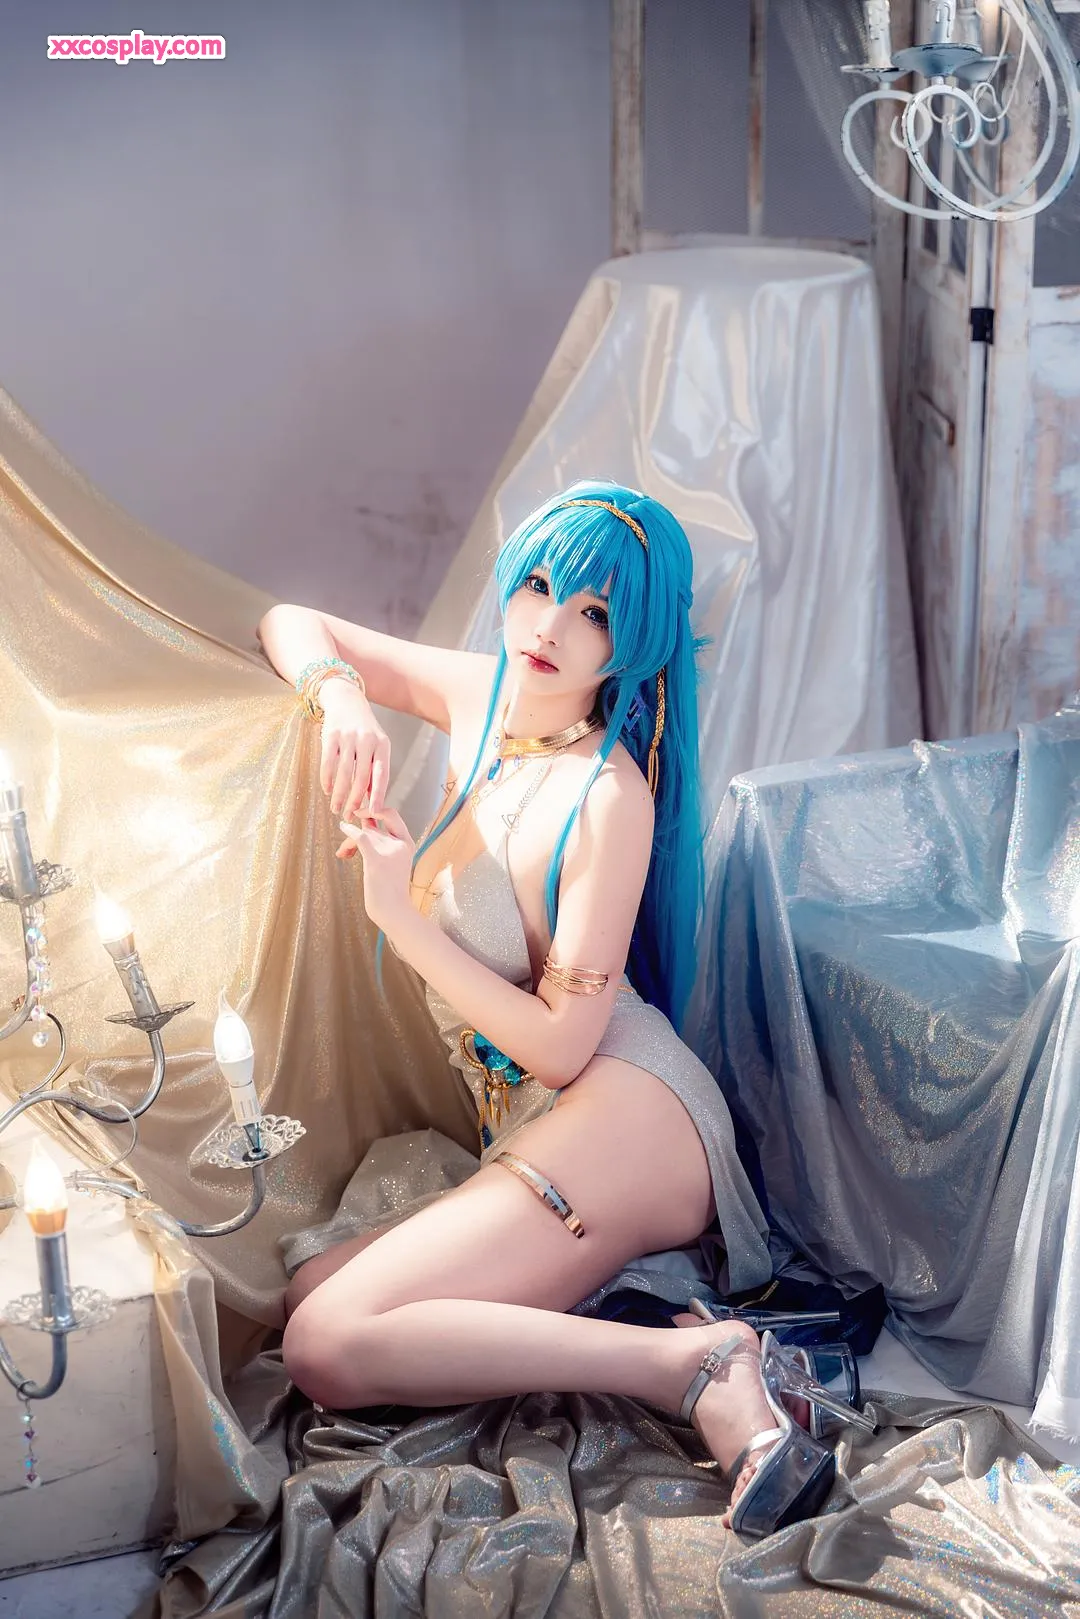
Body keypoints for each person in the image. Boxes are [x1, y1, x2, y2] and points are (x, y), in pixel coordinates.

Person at [257, 480, 858, 1537]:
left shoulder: (611, 797)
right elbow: (290, 619)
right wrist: (340, 696)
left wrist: (397, 914)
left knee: (326, 1344)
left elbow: (563, 1045)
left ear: (632, 646)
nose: (549, 625)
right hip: (541, 1120)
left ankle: (696, 1361)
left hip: (629, 1105)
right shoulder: (481, 692)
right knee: (312, 1283)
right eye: (538, 585)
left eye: (595, 613)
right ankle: (647, 1310)